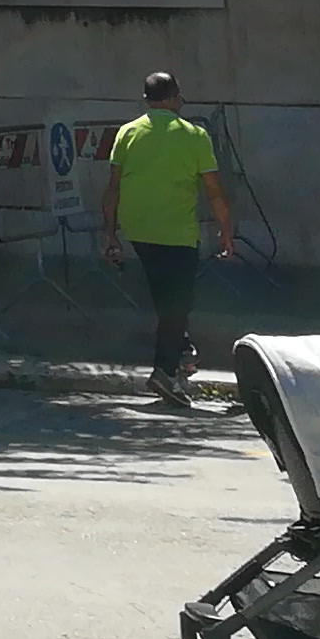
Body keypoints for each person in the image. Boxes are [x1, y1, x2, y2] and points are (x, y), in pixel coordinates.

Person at [101, 70, 236, 406]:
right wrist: (226, 229)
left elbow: (113, 187)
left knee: (168, 297)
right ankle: (164, 371)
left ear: (146, 100)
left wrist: (110, 233)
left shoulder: (127, 133)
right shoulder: (194, 135)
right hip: (176, 231)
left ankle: (181, 353)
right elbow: (214, 190)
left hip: (138, 229)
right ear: (177, 98)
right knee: (176, 304)